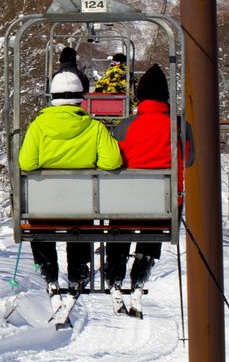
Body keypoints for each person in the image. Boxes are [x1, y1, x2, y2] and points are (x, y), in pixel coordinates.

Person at [18, 66, 122, 310]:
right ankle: (78, 271)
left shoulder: (38, 127)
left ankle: (48, 272)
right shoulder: (94, 128)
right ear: (80, 98)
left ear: (52, 98)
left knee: (39, 227)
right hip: (81, 207)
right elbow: (112, 161)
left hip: (44, 208)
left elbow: (26, 163)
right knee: (81, 225)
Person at [106, 63, 174, 318]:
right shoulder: (177, 127)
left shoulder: (124, 127)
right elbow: (188, 160)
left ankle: (114, 276)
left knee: (118, 223)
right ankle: (140, 275)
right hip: (160, 205)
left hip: (124, 203)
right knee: (155, 221)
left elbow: (113, 161)